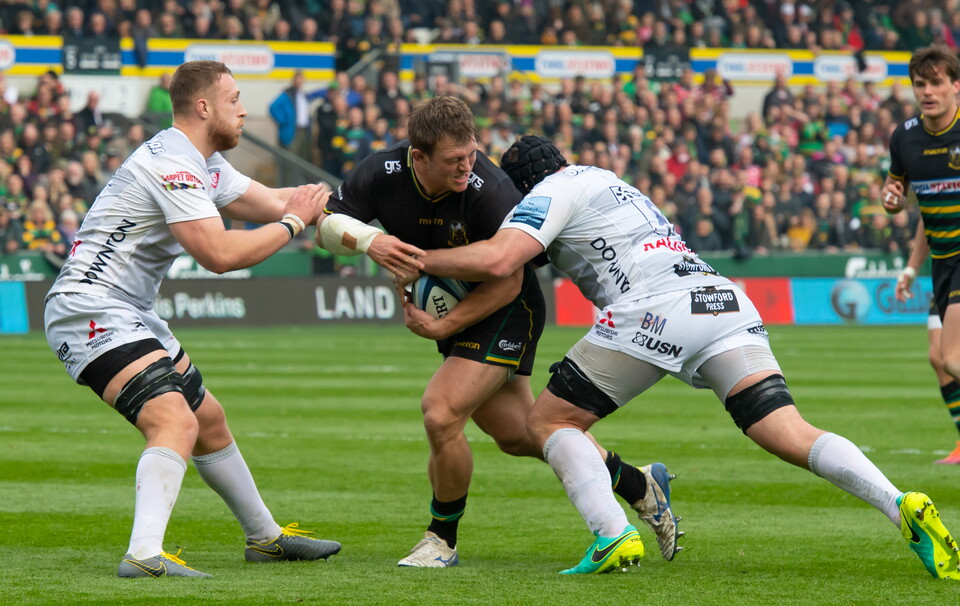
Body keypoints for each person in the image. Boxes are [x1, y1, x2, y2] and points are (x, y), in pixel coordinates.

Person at [404, 134, 960, 579]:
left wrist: (416, 259)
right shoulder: (610, 181)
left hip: (654, 306)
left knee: (549, 421)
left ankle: (611, 534)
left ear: (523, 186)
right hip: (720, 299)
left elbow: (502, 259)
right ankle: (899, 503)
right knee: (790, 431)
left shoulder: (549, 192)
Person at [314, 97, 677, 568]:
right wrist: (372, 242)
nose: (467, 166)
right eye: (454, 159)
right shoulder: (381, 171)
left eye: (471, 153)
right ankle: (637, 483)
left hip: (508, 308)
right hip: (463, 307)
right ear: (418, 156)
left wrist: (444, 324)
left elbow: (508, 280)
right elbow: (325, 225)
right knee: (521, 434)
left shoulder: (493, 189)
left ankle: (441, 540)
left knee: (440, 412)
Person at [43, 60, 340, 578]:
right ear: (203, 107)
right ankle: (144, 554)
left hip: (127, 308)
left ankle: (265, 538)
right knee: (173, 420)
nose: (243, 110)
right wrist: (296, 223)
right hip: (91, 306)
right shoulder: (174, 163)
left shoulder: (203, 162)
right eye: (234, 100)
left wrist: (351, 207)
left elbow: (277, 201)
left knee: (209, 420)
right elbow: (219, 254)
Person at [883, 44, 960, 465]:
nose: (927, 91)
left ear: (955, 85)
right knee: (941, 358)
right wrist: (892, 201)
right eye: (919, 84)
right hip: (942, 264)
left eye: (936, 83)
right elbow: (910, 203)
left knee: (951, 357)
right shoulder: (905, 138)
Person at [896, 220, 960, 464]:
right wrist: (911, 269)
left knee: (952, 358)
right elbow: (927, 218)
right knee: (939, 358)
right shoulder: (928, 198)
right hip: (943, 269)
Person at [268, 70, 321, 186]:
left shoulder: (302, 95)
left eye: (301, 79)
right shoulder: (287, 94)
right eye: (297, 79)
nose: (299, 81)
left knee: (302, 160)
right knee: (290, 162)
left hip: (304, 131)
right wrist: (283, 121)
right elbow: (273, 107)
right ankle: (288, 187)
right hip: (292, 132)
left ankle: (299, 185)